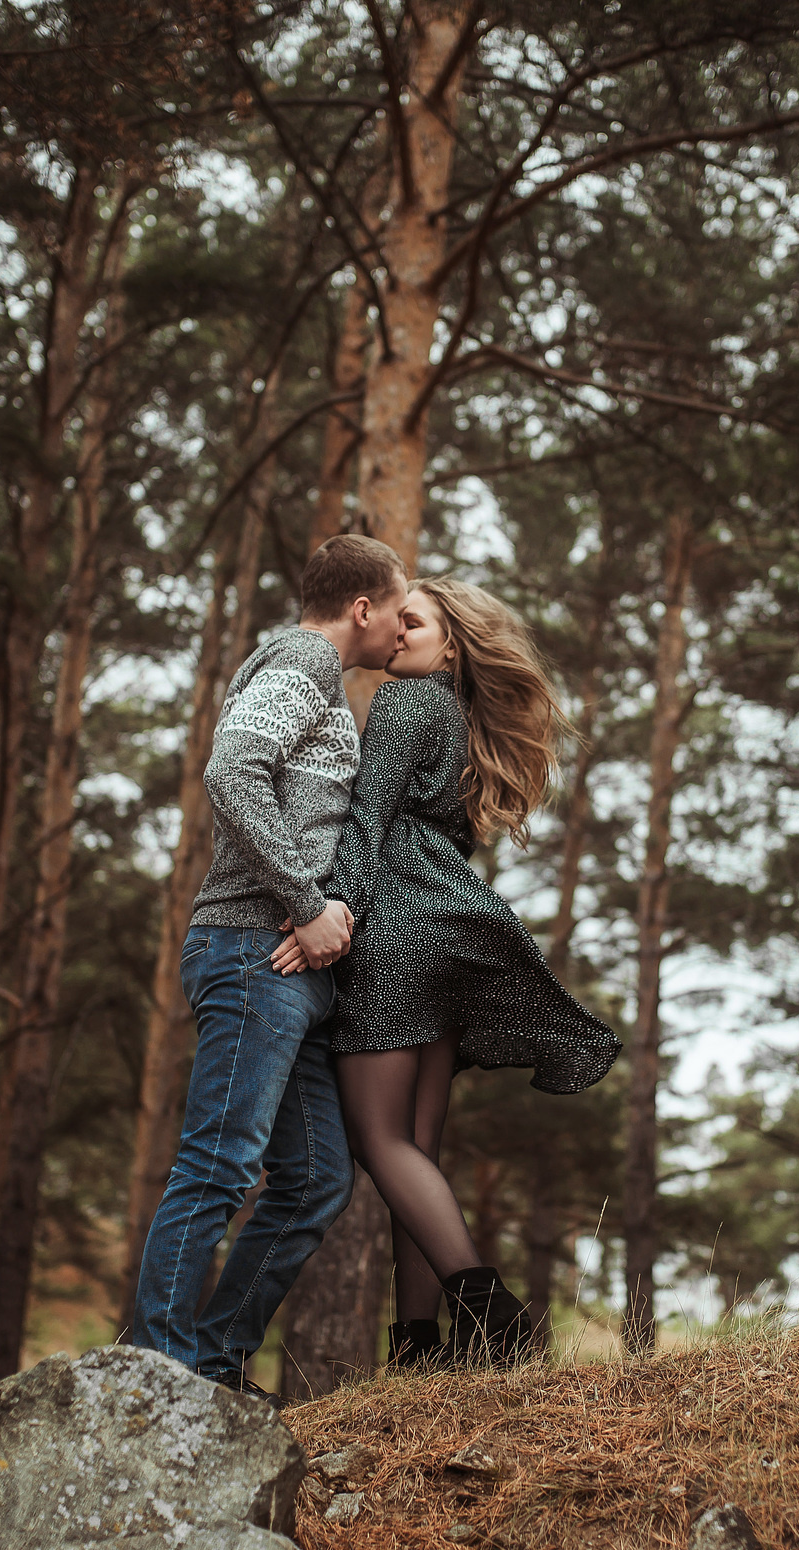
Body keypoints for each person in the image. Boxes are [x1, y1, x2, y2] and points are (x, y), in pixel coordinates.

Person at [274, 577, 620, 1367]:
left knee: (378, 1138)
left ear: (453, 644)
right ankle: (420, 1347)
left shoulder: (405, 705)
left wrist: (326, 918)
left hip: (394, 929)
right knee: (416, 1149)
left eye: (415, 622)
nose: (397, 632)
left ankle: (492, 1314)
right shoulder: (466, 723)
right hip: (452, 930)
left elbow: (365, 826)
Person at [128, 533, 409, 1396]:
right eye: (400, 612)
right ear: (362, 607)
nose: (404, 631)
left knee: (318, 1176)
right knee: (218, 1162)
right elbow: (233, 771)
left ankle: (212, 1361)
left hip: (291, 972)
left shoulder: (314, 679)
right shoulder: (301, 659)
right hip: (255, 950)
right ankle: (155, 1374)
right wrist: (307, 898)